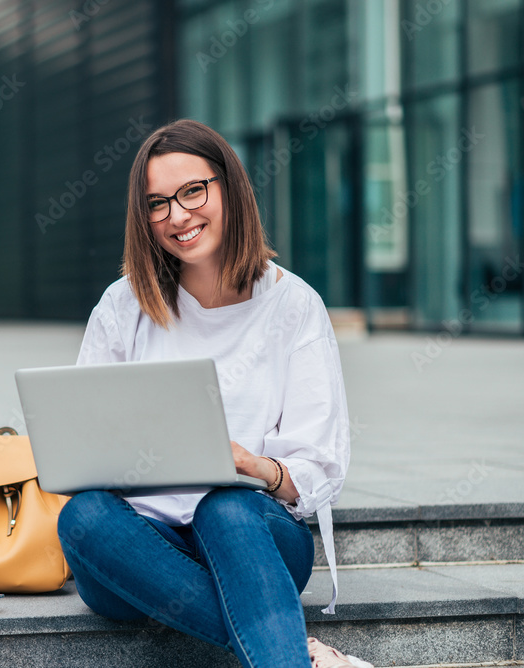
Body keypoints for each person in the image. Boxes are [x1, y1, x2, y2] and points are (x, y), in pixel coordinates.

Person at [56, 119, 373, 668]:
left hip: (254, 542)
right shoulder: (123, 304)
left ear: (231, 187)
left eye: (193, 191)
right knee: (82, 517)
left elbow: (318, 473)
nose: (177, 216)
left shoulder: (295, 307)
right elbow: (87, 439)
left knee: (224, 508)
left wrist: (256, 467)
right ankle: (295, 652)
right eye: (157, 204)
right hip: (136, 550)